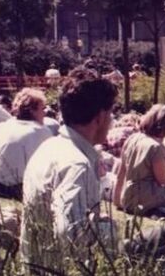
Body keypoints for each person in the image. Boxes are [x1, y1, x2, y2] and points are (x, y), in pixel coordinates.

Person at [21, 68, 118, 263]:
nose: (112, 121)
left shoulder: (48, 147)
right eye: (111, 113)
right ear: (99, 117)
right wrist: (108, 229)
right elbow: (71, 236)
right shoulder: (77, 165)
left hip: (38, 270)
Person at [0, 88, 53, 199]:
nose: (45, 112)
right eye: (42, 108)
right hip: (20, 188)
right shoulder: (42, 131)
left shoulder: (5, 125)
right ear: (32, 111)